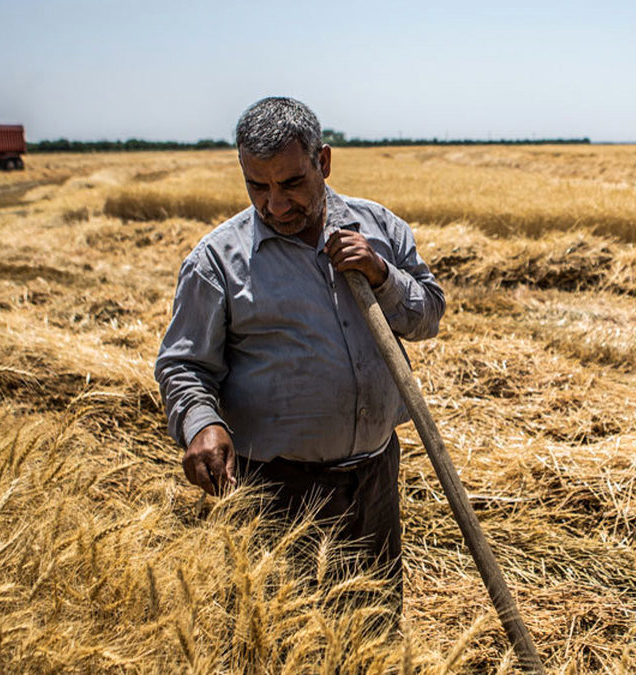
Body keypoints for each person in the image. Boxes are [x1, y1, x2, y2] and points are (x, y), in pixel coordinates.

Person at [154, 97, 445, 613]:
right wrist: (202, 424)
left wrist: (382, 275)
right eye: (257, 187)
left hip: (376, 477)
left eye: (290, 184)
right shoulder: (217, 262)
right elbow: (185, 365)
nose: (275, 204)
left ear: (323, 162)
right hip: (279, 491)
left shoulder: (379, 229)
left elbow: (427, 317)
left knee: (375, 625)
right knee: (285, 636)